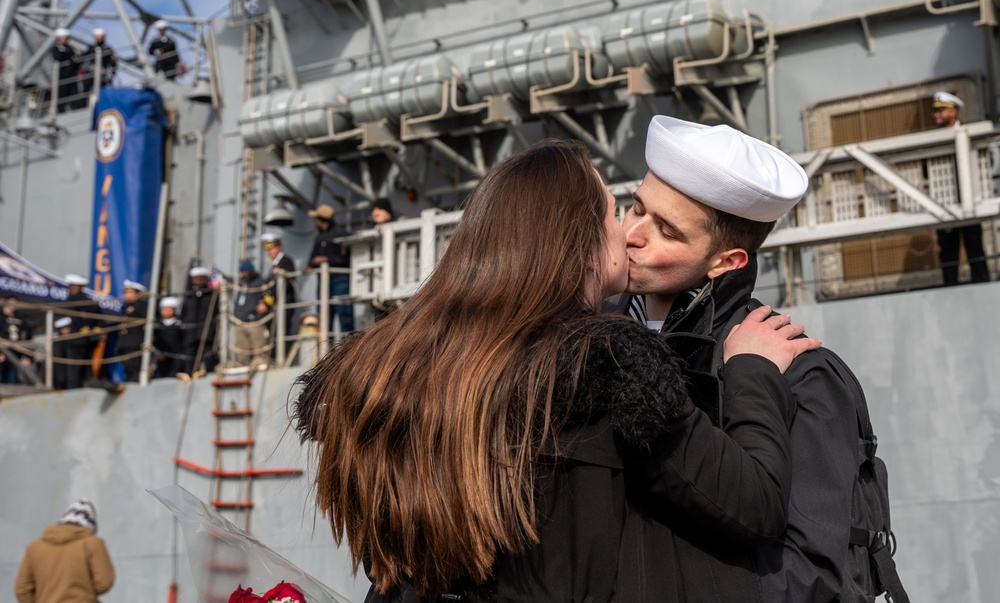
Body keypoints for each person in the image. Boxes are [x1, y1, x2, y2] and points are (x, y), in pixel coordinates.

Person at [293, 138, 820, 601]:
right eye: (618, 212)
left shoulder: (396, 362)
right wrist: (752, 368)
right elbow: (754, 506)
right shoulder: (608, 363)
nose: (629, 234)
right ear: (583, 248)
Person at [618, 114, 869, 601]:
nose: (632, 234)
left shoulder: (801, 371)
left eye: (667, 231)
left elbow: (816, 571)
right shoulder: (584, 336)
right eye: (636, 208)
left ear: (726, 262)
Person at [931, 91, 990, 285]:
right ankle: (950, 288)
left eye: (940, 110)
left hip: (970, 198)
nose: (936, 115)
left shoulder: (970, 132)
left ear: (953, 112)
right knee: (948, 249)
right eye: (935, 111)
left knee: (974, 245)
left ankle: (982, 283)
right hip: (945, 203)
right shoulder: (932, 139)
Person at [15, 499, 115, 603]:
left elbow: (22, 590)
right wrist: (84, 593)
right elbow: (104, 583)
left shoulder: (34, 547)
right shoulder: (92, 543)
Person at [305, 204, 352, 334]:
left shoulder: (341, 234)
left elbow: (348, 258)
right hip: (324, 282)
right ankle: (328, 350)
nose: (314, 222)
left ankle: (348, 349)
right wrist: (311, 264)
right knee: (324, 318)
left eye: (316, 219)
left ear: (321, 220)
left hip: (340, 279)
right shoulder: (319, 238)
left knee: (345, 316)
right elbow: (312, 258)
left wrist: (326, 259)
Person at [262, 233, 297, 359]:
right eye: (267, 249)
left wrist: (267, 303)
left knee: (282, 332)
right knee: (275, 334)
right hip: (275, 307)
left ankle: (282, 358)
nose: (268, 252)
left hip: (285, 305)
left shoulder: (286, 262)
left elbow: (284, 285)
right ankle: (274, 358)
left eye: (271, 248)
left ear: (279, 247)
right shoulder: (274, 265)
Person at [180, 267, 219, 376]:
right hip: (190, 333)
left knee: (208, 356)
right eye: (197, 279)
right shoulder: (189, 296)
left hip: (206, 332)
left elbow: (216, 311)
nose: (199, 281)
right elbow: (184, 312)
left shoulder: (211, 295)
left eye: (202, 279)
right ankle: (189, 375)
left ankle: (209, 373)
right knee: (190, 357)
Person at [231, 259, 269, 368]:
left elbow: (266, 299)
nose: (243, 274)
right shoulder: (242, 285)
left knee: (259, 345)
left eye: (245, 271)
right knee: (241, 347)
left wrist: (258, 315)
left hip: (254, 320)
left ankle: (260, 363)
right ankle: (242, 365)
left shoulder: (259, 283)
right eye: (242, 272)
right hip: (240, 321)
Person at [115, 280, 148, 383]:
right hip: (125, 342)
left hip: (134, 342)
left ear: (137, 293)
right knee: (127, 367)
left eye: (129, 292)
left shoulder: (141, 305)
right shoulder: (126, 307)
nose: (126, 295)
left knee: (134, 367)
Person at [0, 299, 33, 384]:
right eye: (10, 303)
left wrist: (27, 356)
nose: (12, 306)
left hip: (14, 356)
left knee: (12, 381)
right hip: (2, 354)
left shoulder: (21, 320)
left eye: (14, 304)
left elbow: (27, 338)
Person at [79, 27, 117, 95]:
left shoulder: (108, 49)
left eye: (100, 36)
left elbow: (113, 63)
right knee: (85, 91)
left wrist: (111, 76)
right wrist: (81, 71)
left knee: (102, 93)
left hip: (102, 75)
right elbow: (81, 58)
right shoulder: (90, 48)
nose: (99, 38)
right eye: (97, 36)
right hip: (90, 74)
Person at [153, 296, 184, 379]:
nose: (166, 311)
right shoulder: (157, 325)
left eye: (169, 309)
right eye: (164, 309)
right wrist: (157, 352)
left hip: (175, 357)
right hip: (160, 357)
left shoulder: (180, 324)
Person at [51, 28, 80, 112]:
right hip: (62, 76)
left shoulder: (70, 49)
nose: (65, 39)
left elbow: (75, 60)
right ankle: (60, 112)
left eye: (66, 37)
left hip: (71, 75)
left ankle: (75, 110)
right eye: (63, 37)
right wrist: (66, 53)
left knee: (74, 94)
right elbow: (58, 57)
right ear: (59, 38)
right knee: (61, 96)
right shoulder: (56, 48)